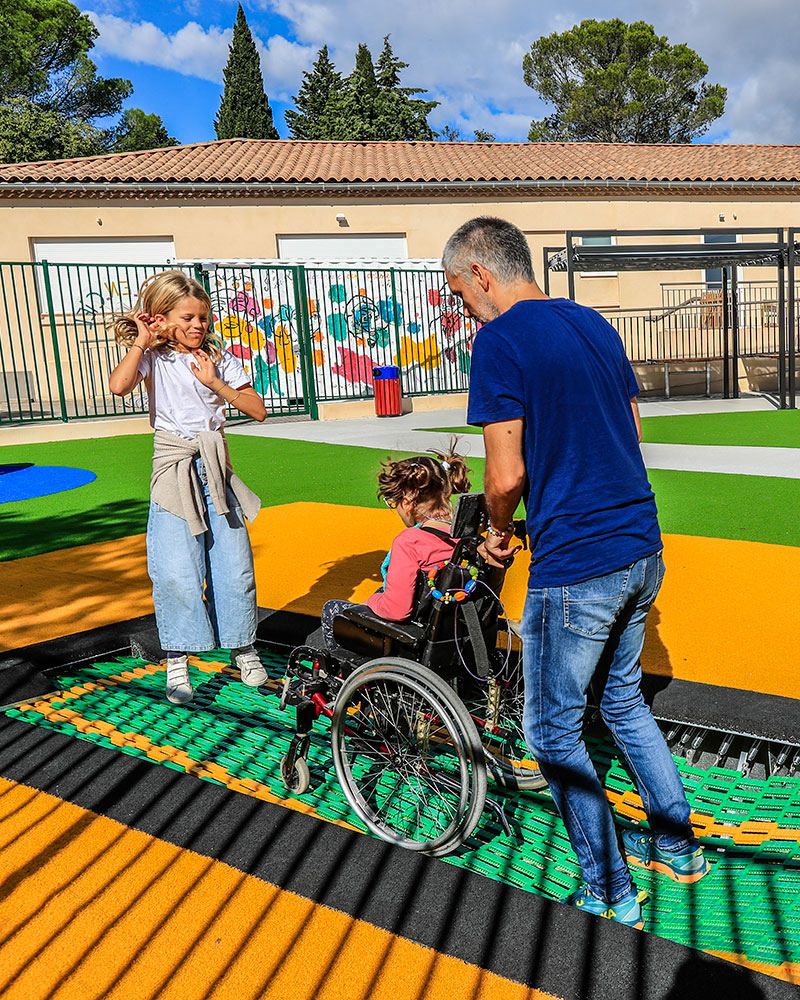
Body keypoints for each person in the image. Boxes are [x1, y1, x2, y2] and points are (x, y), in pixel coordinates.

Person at [442, 217, 708, 929]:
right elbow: (630, 432)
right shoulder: (593, 325)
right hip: (640, 545)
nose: (463, 308)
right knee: (621, 703)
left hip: (579, 563)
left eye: (458, 294)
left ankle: (609, 887)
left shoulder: (498, 341)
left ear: (480, 274)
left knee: (552, 733)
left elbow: (506, 473)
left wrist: (500, 532)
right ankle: (678, 850)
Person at [108, 270, 268, 705]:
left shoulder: (220, 359)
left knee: (233, 564)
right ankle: (177, 658)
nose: (198, 325)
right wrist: (142, 338)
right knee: (177, 568)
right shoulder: (152, 359)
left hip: (215, 465)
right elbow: (118, 387)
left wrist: (215, 383)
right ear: (161, 318)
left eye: (203, 317)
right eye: (187, 317)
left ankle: (242, 646)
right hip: (174, 466)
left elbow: (257, 411)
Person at [320, 446, 471, 651]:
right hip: (453, 631)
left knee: (333, 611)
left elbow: (396, 611)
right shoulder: (466, 535)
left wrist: (372, 601)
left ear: (408, 502)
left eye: (394, 502)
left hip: (412, 639)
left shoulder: (411, 541)